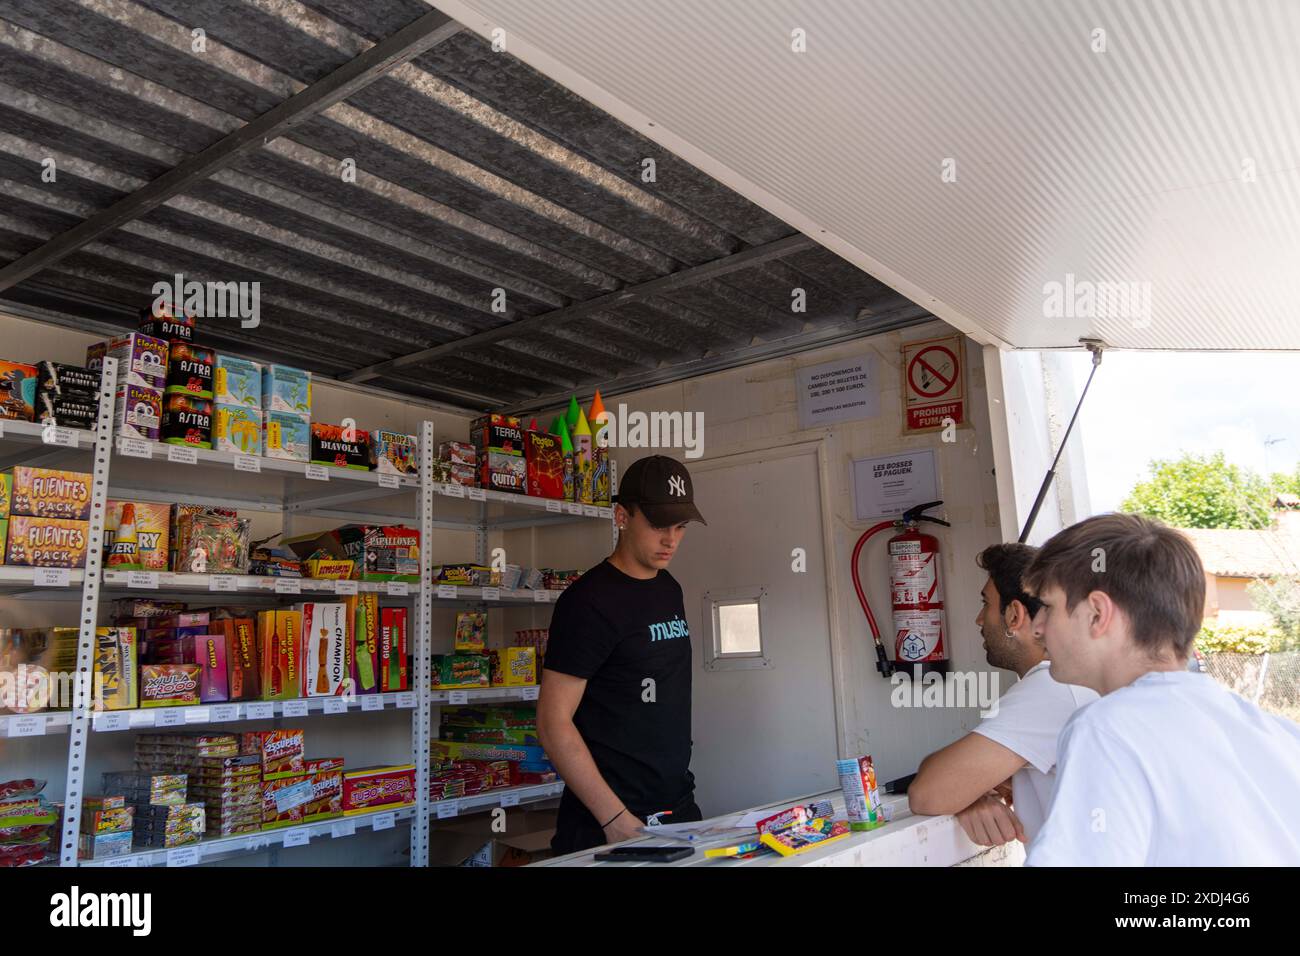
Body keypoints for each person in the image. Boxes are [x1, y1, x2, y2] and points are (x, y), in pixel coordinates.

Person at [1024, 513, 1300, 865]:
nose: (1037, 627)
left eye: (1047, 607)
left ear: (1097, 613)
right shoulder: (1279, 735)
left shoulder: (1107, 729)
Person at [537, 455, 707, 855]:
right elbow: (552, 722)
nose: (671, 539)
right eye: (659, 525)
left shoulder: (670, 589)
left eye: (680, 527)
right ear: (621, 516)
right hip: (610, 822)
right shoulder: (588, 602)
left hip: (678, 809)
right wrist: (613, 819)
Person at [908, 544, 1096, 846]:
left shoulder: (1052, 687)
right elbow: (956, 780)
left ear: (1014, 614)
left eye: (986, 603)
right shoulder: (1081, 680)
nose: (980, 619)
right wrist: (974, 791)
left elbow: (928, 792)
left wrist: (963, 791)